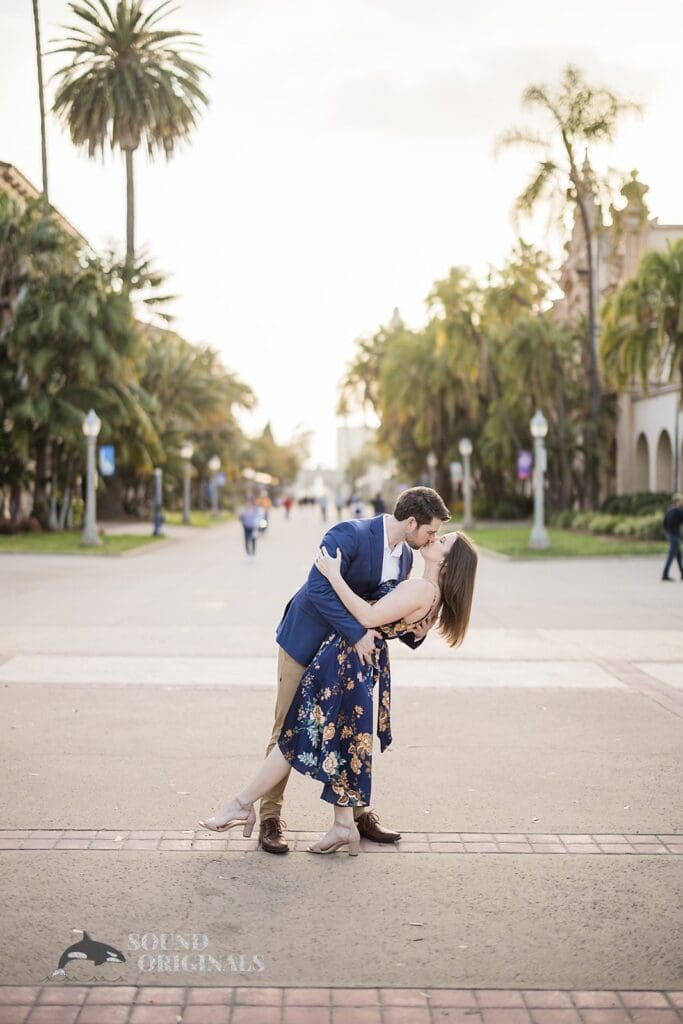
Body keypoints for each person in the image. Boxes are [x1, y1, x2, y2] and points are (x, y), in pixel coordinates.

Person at [198, 525, 478, 856]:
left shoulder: (421, 588)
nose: (435, 537)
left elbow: (368, 616)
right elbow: (398, 621)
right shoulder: (429, 591)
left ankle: (241, 804)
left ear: (447, 562)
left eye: (442, 540)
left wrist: (333, 575)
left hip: (343, 662)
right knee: (341, 743)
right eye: (436, 532)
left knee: (296, 737)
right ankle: (342, 823)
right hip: (352, 664)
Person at [661, 493, 683, 581]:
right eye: (681, 501)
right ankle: (665, 574)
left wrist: (668, 534)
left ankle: (682, 573)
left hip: (670, 535)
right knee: (671, 556)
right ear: (677, 501)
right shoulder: (678, 511)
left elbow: (664, 524)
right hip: (675, 537)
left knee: (679, 555)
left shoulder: (669, 510)